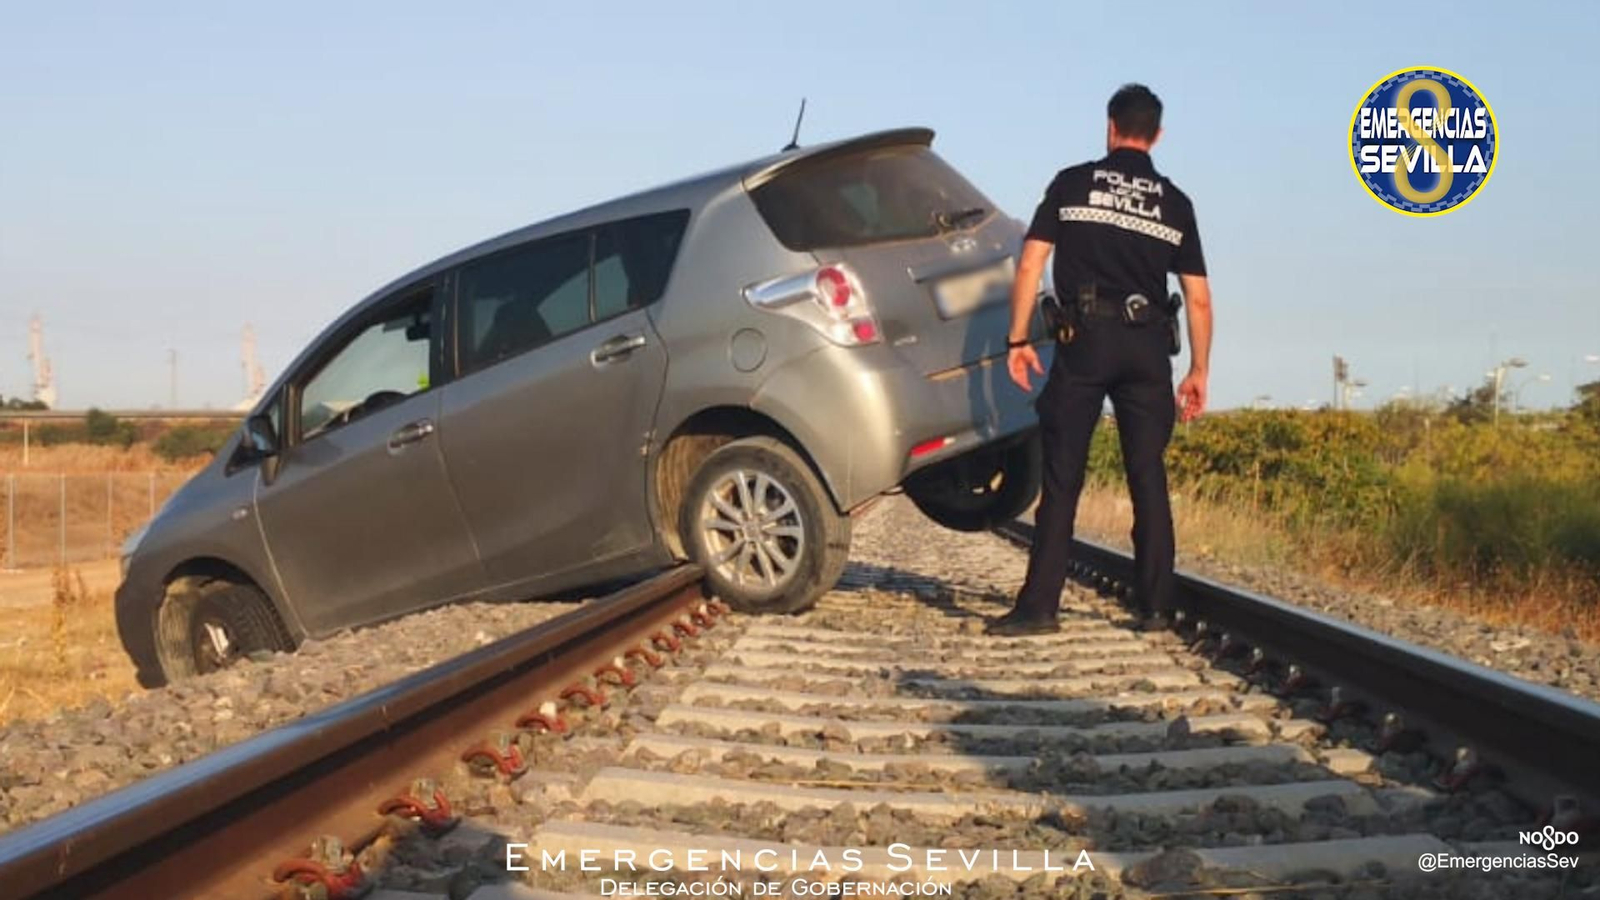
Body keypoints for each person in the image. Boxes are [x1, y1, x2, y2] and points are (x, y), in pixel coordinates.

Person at [987, 83, 1213, 637]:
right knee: (1147, 478)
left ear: (1110, 127)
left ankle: (1040, 607)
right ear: (1156, 135)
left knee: (1063, 480)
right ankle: (1157, 608)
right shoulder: (1175, 203)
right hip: (1147, 347)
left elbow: (1029, 264)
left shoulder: (1072, 184)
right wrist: (1199, 370)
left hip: (1083, 341)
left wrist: (1018, 340)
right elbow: (1199, 295)